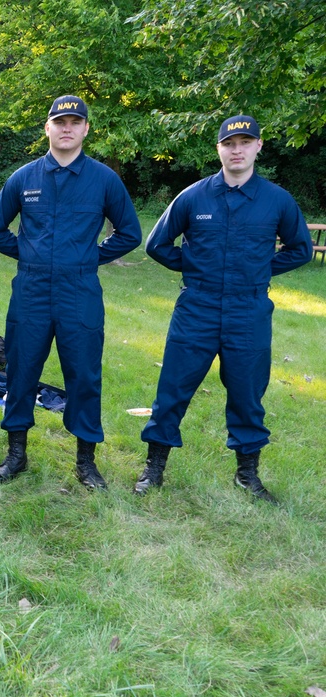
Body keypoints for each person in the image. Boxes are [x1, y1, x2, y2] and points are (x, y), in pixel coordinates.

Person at [135, 115, 312, 502]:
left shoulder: (277, 200)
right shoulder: (194, 197)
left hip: (248, 311)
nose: (237, 150)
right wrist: (197, 267)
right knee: (173, 389)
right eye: (229, 144)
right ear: (218, 148)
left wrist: (260, 270)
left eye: (245, 143)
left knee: (248, 394)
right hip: (196, 307)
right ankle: (154, 468)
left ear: (258, 147)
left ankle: (247, 475)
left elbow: (300, 250)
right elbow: (158, 245)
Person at [0, 95, 141, 490]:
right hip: (32, 292)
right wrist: (28, 254)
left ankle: (86, 463)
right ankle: (16, 454)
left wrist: (90, 258)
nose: (67, 128)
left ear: (86, 128)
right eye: (60, 121)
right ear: (48, 129)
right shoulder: (24, 178)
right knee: (20, 372)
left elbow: (130, 233)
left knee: (84, 375)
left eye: (75, 121)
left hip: (80, 292)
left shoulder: (104, 179)